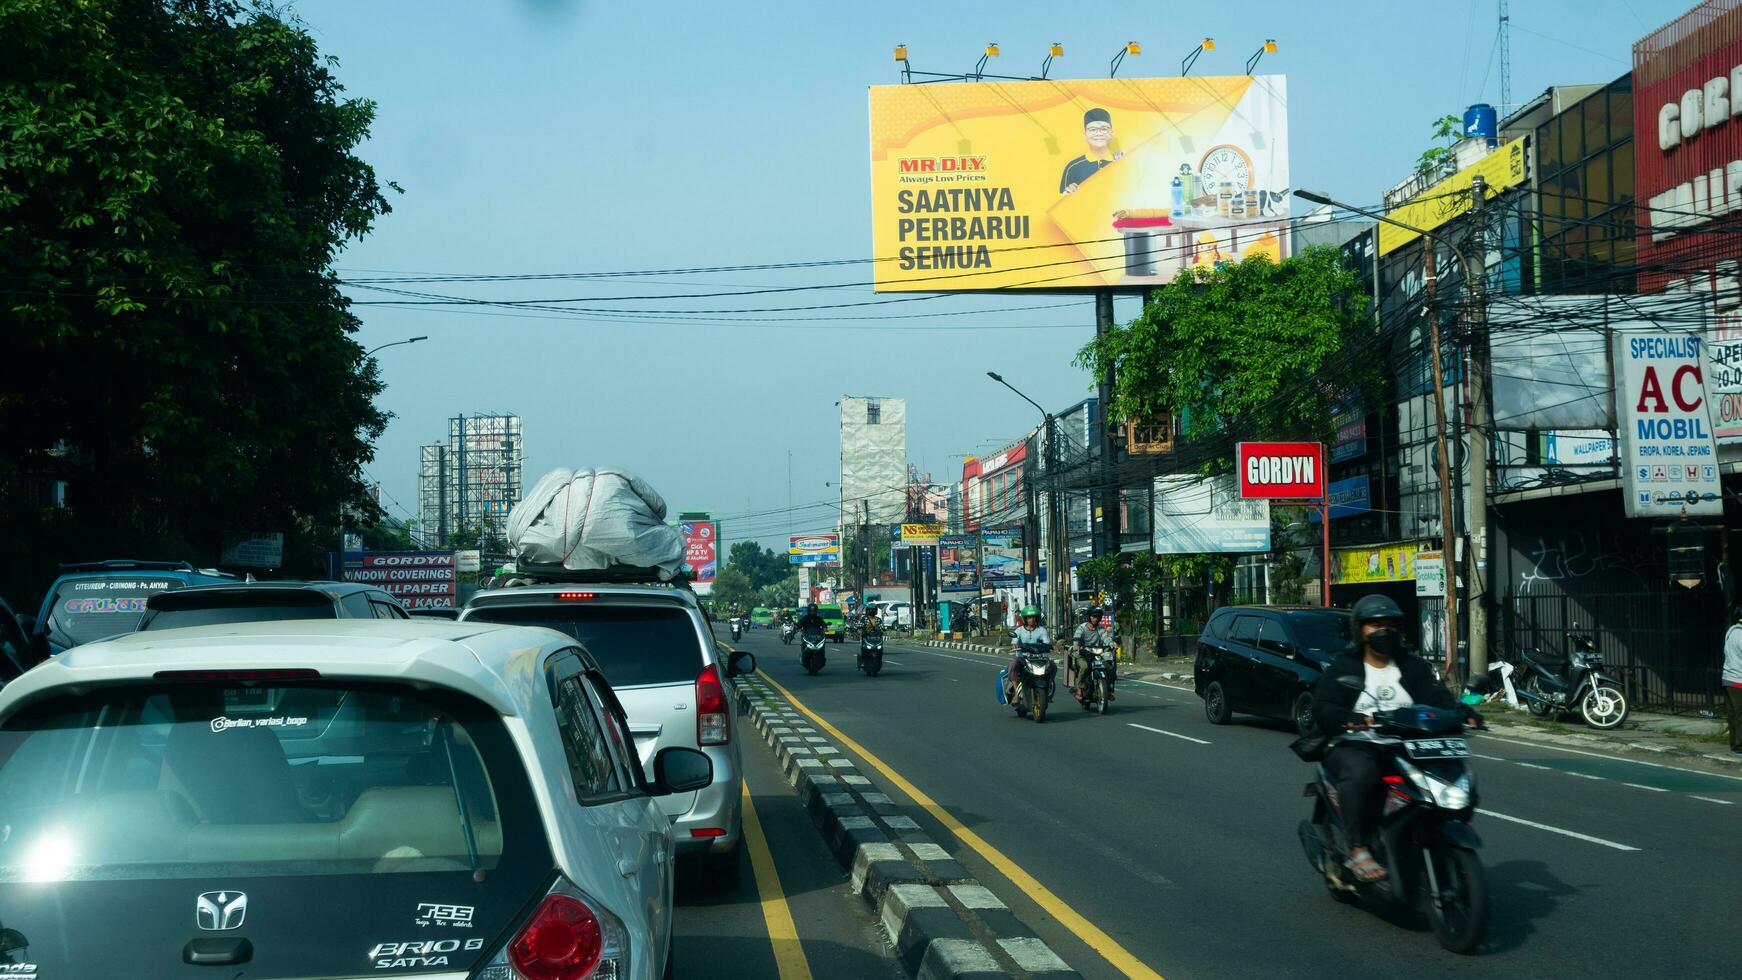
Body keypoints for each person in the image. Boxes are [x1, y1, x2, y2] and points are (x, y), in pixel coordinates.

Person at [1311, 594, 1475, 884]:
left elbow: (1437, 699)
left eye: (1388, 624)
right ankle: (1358, 847)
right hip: (1354, 743)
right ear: (1359, 630)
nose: (1382, 631)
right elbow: (1323, 707)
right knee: (1363, 772)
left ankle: (1435, 833)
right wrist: (1352, 719)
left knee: (1452, 771)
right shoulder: (1344, 667)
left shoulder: (1413, 667)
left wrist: (1462, 713)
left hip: (1406, 745)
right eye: (1374, 625)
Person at [1059, 107, 1123, 194]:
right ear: (1085, 135)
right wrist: (1067, 194)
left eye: (1104, 129)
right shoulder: (1073, 167)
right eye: (1093, 130)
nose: (1099, 133)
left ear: (1111, 133)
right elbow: (1062, 203)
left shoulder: (1122, 160)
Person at [1007, 605, 1052, 702]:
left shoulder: (1041, 630)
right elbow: (1014, 641)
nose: (1032, 619)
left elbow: (1046, 642)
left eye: (1034, 617)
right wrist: (1014, 645)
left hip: (1038, 658)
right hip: (1023, 658)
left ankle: (1048, 688)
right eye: (1029, 617)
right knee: (1013, 664)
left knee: (1052, 666)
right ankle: (1016, 693)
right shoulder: (1019, 630)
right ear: (1025, 619)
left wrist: (1051, 646)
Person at [1071, 605, 1116, 702]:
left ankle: (1108, 690)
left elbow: (1106, 638)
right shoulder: (1082, 628)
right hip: (1082, 654)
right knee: (1084, 667)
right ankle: (1078, 688)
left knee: (1109, 667)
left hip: (1097, 654)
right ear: (1089, 617)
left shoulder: (1101, 629)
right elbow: (1077, 638)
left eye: (1098, 617)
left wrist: (1112, 644)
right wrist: (1076, 645)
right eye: (1094, 616)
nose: (1096, 619)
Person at [1724, 607, 1742, 756]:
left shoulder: (1731, 631)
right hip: (1739, 680)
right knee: (1740, 716)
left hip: (1728, 679)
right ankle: (1739, 746)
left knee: (1732, 715)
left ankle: (1734, 744)